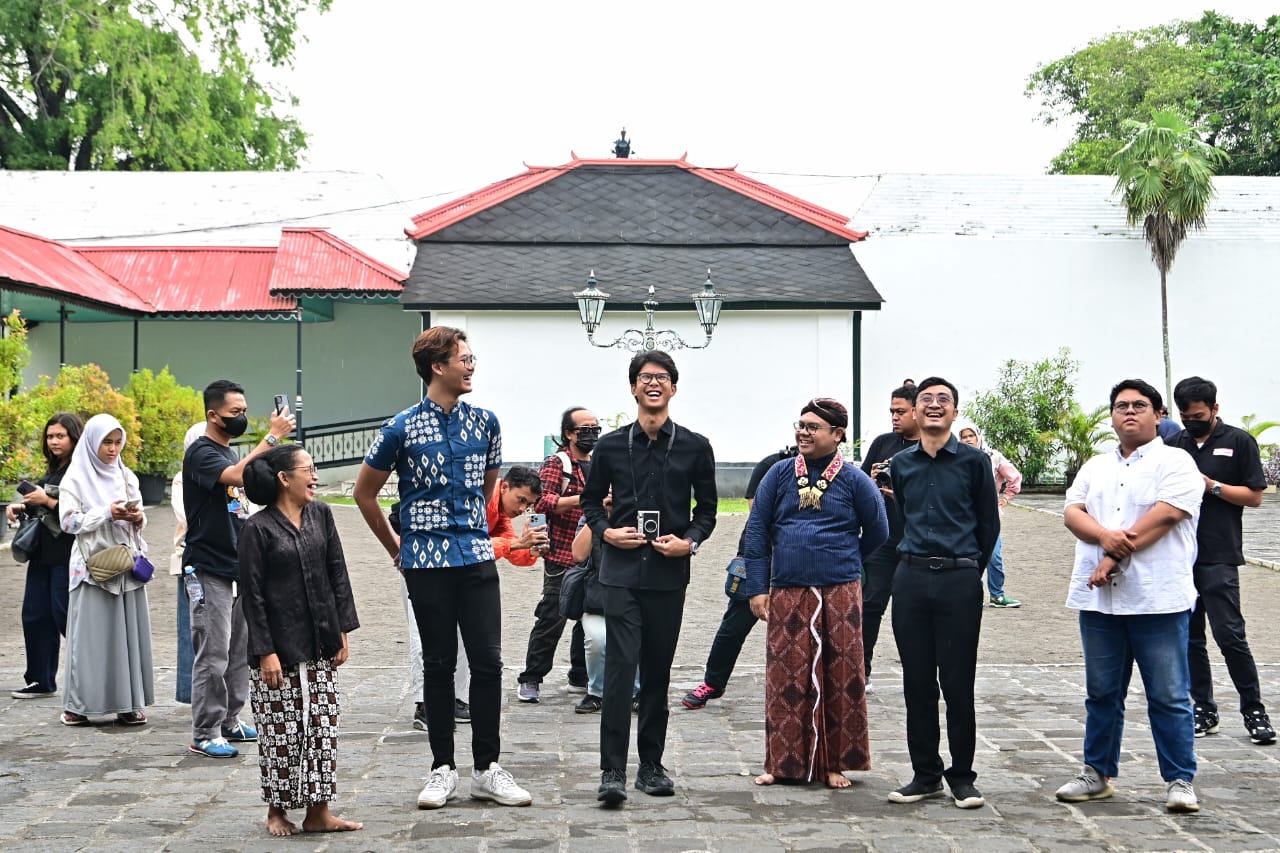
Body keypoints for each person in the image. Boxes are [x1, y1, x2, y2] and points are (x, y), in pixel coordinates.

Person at [355, 326, 532, 810]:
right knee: (437, 664)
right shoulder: (400, 428)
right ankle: (441, 768)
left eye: (472, 358)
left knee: (488, 663)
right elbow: (363, 493)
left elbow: (487, 488)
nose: (472, 366)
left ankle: (487, 769)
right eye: (464, 359)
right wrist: (396, 547)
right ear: (438, 366)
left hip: (475, 558)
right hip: (425, 563)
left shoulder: (486, 423)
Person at [1055, 378, 1204, 813]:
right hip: (1100, 602)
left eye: (1140, 405)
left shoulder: (1176, 463)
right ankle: (1096, 773)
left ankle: (1179, 778)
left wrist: (1111, 558)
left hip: (1157, 599)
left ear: (1159, 415)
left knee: (1169, 693)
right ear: (1111, 416)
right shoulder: (1095, 467)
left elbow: (1165, 516)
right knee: (1101, 692)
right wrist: (1104, 539)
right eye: (1121, 406)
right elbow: (1071, 512)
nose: (1130, 412)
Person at [581, 349, 717, 805]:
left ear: (673, 388)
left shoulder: (696, 446)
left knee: (657, 672)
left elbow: (708, 512)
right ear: (633, 387)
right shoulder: (611, 446)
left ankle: (651, 766)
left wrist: (690, 542)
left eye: (661, 377)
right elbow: (589, 501)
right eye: (645, 377)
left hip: (667, 574)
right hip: (619, 573)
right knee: (620, 670)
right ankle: (612, 771)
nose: (653, 383)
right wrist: (606, 532)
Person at [745, 398, 888, 788]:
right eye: (801, 424)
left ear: (837, 435)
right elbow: (756, 533)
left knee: (840, 675)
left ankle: (834, 763)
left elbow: (879, 530)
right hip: (787, 588)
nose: (803, 432)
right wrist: (758, 588)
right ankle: (781, 763)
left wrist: (845, 557)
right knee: (784, 678)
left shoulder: (856, 480)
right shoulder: (777, 474)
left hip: (841, 590)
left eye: (813, 427)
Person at [886, 377, 998, 810]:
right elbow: (901, 520)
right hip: (911, 579)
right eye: (925, 400)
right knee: (916, 682)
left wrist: (969, 572)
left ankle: (963, 776)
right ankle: (926, 773)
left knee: (957, 682)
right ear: (914, 411)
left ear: (954, 411)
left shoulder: (974, 463)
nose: (934, 406)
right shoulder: (902, 464)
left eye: (943, 401)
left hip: (958, 581)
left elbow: (988, 525)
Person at [239, 444, 362, 836]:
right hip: (278, 647)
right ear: (284, 478)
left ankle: (318, 812)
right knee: (281, 730)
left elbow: (336, 571)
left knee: (322, 726)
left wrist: (342, 626)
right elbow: (252, 596)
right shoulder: (256, 529)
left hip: (320, 638)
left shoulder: (321, 514)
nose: (314, 477)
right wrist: (265, 652)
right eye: (308, 470)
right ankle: (276, 810)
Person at [183, 379, 295, 758]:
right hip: (207, 567)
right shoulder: (202, 454)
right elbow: (235, 478)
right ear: (213, 415)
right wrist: (273, 438)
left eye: (245, 410)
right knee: (212, 653)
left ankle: (230, 719)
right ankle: (205, 730)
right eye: (235, 413)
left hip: (236, 567)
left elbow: (236, 506)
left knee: (238, 651)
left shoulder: (231, 455)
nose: (242, 417)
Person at [394, 465, 549, 731]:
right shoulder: (471, 497)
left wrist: (532, 550)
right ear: (504, 486)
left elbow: (510, 549)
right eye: (520, 499)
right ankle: (424, 703)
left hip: (460, 574)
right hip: (425, 566)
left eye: (529, 504)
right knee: (424, 637)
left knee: (466, 638)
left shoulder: (498, 514)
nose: (522, 508)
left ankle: (454, 697)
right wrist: (514, 545)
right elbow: (466, 544)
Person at [1168, 376, 1274, 745]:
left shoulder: (1239, 441)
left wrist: (1209, 484)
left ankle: (1254, 710)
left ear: (1214, 409)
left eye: (1198, 415)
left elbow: (1255, 497)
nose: (1191, 421)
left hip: (1219, 555)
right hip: (1180, 557)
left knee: (1230, 635)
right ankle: (1204, 708)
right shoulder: (1174, 444)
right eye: (1185, 416)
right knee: (1190, 638)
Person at [682, 442, 797, 711]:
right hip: (758, 554)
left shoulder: (831, 472)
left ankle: (801, 685)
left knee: (798, 628)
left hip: (800, 558)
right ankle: (712, 682)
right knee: (734, 625)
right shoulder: (772, 464)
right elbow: (755, 509)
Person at [57, 413, 153, 726]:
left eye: (117, 443)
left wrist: (137, 519)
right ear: (91, 443)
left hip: (124, 566)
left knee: (126, 636)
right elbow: (68, 522)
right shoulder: (75, 478)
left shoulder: (126, 476)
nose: (112, 449)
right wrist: (106, 514)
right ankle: (79, 705)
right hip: (92, 567)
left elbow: (140, 513)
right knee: (90, 638)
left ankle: (128, 703)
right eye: (106, 443)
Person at [517, 407, 597, 702]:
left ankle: (580, 675)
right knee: (553, 615)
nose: (591, 435)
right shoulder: (558, 463)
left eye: (595, 429)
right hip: (561, 554)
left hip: (594, 555)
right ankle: (531, 677)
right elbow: (542, 501)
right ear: (568, 433)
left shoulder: (601, 462)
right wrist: (584, 499)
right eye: (584, 429)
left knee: (589, 616)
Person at [7, 413, 83, 699]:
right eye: (50, 436)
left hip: (68, 555)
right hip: (42, 555)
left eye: (60, 436)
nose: (53, 441)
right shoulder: (52, 470)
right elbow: (42, 507)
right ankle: (40, 679)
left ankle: (89, 678)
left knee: (65, 617)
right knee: (35, 616)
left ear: (74, 437)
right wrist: (21, 507)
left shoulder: (80, 471)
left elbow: (81, 510)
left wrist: (47, 501)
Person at [859, 385, 921, 691]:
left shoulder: (928, 447)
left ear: (917, 410)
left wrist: (901, 495)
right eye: (891, 412)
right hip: (881, 540)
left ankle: (920, 673)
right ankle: (860, 671)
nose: (894, 417)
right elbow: (857, 486)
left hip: (917, 540)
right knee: (869, 605)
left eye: (900, 411)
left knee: (913, 612)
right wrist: (871, 482)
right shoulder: (883, 443)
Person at [569, 493, 639, 714]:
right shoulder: (591, 517)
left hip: (635, 594)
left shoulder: (640, 512)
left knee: (638, 638)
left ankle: (636, 692)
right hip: (598, 597)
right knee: (598, 640)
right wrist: (599, 517)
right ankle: (596, 692)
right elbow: (578, 554)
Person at [958, 424, 1024, 608]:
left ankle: (997, 595)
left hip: (988, 514)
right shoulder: (956, 457)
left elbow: (1015, 477)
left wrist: (1005, 498)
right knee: (966, 556)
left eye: (971, 435)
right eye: (964, 437)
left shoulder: (993, 457)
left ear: (978, 436)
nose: (968, 439)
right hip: (963, 514)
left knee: (993, 556)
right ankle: (970, 595)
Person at [169, 422, 206, 704]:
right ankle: (191, 690)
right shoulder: (183, 479)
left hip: (223, 561)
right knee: (191, 627)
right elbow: (189, 516)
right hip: (192, 562)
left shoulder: (227, 474)